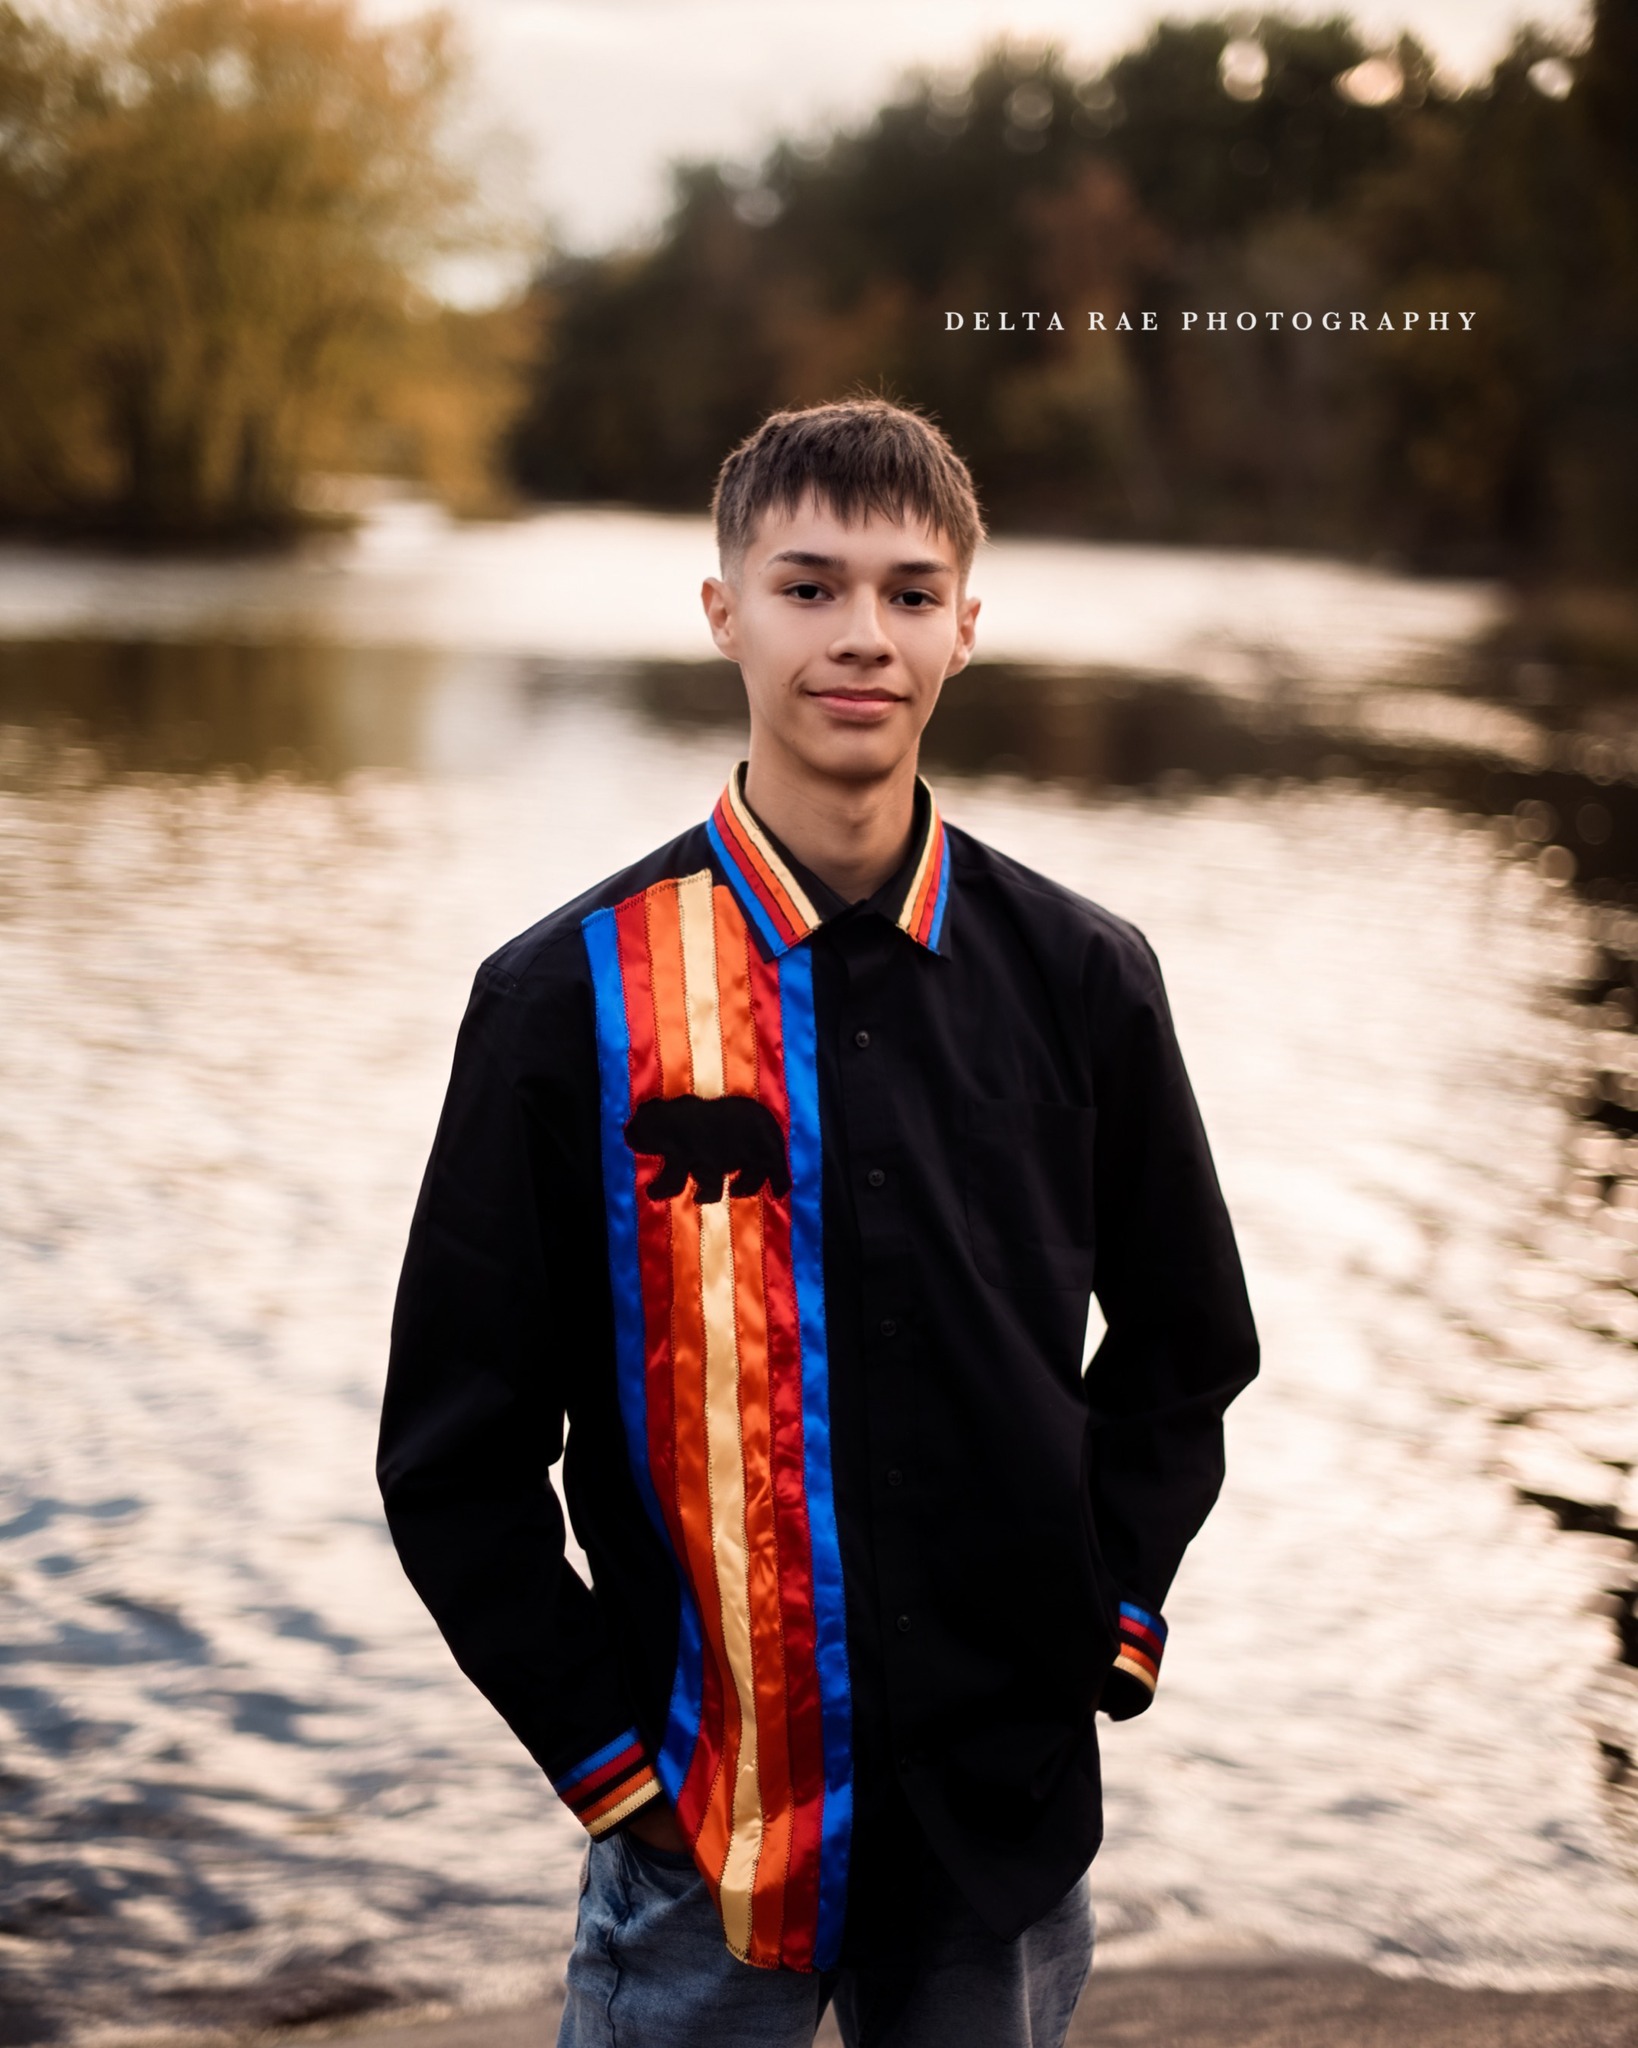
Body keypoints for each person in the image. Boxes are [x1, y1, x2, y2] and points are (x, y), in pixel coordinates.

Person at [377, 397, 1258, 2048]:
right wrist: (610, 1764)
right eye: (808, 587)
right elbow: (453, 1454)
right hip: (702, 1829)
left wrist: (1113, 1621)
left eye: (909, 593)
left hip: (995, 1823)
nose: (862, 636)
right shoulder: (562, 1000)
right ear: (723, 611)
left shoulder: (1083, 979)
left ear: (964, 627)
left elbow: (1186, 1344)